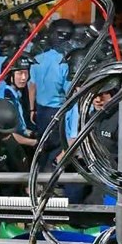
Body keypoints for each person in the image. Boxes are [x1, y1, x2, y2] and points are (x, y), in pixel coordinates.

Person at [29, 19, 75, 155]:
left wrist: (32, 109)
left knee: (42, 145)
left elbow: (32, 86)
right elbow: (70, 92)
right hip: (58, 112)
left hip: (40, 110)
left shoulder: (37, 59)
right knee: (56, 149)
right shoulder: (65, 63)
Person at [0, 53, 38, 148]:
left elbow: (20, 128)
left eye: (26, 73)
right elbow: (9, 135)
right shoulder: (7, 100)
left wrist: (32, 134)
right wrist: (34, 143)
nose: (23, 78)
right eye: (19, 73)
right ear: (10, 76)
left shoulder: (15, 95)